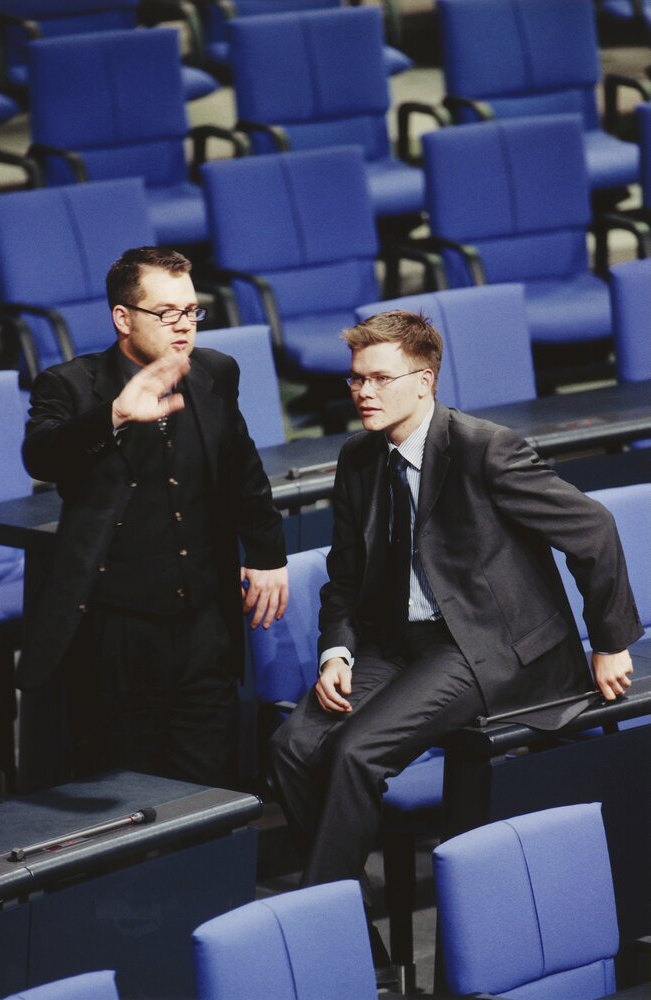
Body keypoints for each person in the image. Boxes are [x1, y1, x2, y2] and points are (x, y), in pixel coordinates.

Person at [268, 310, 642, 982]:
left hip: (482, 646)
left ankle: (321, 957)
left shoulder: (483, 448)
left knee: (356, 752)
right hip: (395, 644)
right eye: (355, 379)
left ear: (424, 381)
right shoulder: (358, 459)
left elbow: (591, 528)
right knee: (293, 747)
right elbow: (344, 580)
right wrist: (336, 652)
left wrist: (611, 641)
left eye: (379, 379)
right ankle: (362, 942)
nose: (363, 392)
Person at [19, 246, 288, 788]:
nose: (184, 326)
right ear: (123, 317)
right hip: (115, 628)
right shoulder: (70, 386)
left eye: (191, 312)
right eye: (167, 314)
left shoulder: (215, 373)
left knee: (209, 785)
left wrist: (267, 555)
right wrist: (116, 414)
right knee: (125, 785)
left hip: (204, 625)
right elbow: (41, 454)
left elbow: (243, 473)